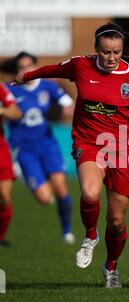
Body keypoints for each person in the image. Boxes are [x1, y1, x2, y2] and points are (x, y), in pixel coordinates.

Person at [12, 23, 129, 288]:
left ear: (122, 50)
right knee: (89, 193)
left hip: (123, 149)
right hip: (89, 142)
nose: (111, 58)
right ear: (95, 50)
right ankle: (90, 237)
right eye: (105, 52)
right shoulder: (80, 66)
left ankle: (111, 266)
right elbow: (53, 69)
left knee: (116, 221)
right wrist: (28, 76)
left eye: (117, 52)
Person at [1, 52, 75, 244]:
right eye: (22, 67)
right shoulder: (10, 89)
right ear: (17, 70)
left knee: (61, 187)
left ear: (35, 67)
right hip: (24, 149)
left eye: (29, 66)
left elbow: (67, 102)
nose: (26, 70)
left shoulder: (47, 86)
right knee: (44, 199)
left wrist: (68, 107)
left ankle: (67, 231)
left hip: (47, 144)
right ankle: (33, 178)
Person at [0, 83, 22, 247]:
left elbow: (16, 112)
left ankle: (0, 237)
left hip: (1, 152)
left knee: (5, 198)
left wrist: (1, 111)